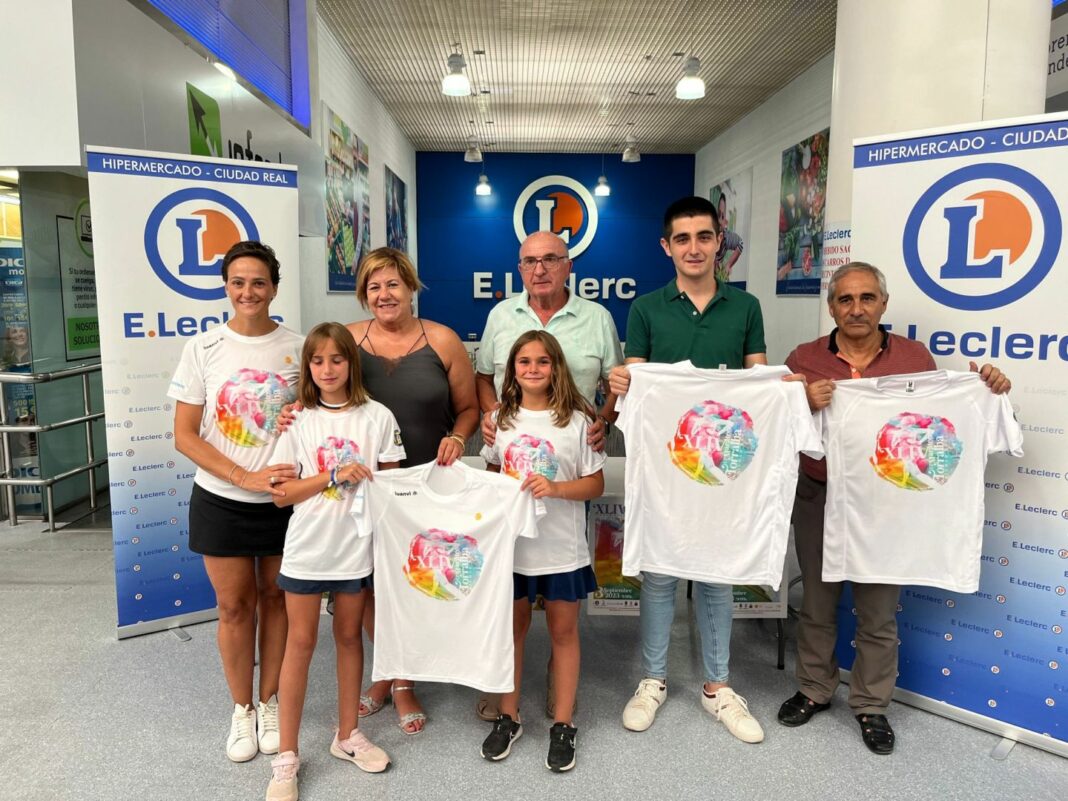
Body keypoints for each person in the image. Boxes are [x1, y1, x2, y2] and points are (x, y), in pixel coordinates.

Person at [777, 261, 1010, 755]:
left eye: (867, 298)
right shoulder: (804, 357)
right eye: (845, 299)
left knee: (878, 611)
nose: (856, 308)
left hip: (885, 504)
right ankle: (814, 689)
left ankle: (871, 704)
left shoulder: (914, 357)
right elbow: (778, 423)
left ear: (883, 303)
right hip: (819, 496)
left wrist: (984, 389)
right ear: (831, 307)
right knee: (817, 604)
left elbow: (934, 423)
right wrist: (802, 401)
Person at [608, 196, 767, 743]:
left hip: (723, 468)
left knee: (717, 572)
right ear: (666, 246)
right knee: (659, 573)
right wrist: (622, 382)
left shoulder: (745, 308)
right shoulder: (647, 309)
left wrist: (780, 389)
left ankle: (717, 687)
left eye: (704, 236)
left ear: (719, 241)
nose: (694, 248)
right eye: (683, 238)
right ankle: (652, 679)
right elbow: (636, 383)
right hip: (663, 467)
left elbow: (757, 382)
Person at [169, 240, 303, 762]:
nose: (248, 292)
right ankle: (242, 709)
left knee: (276, 600)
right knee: (233, 606)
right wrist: (243, 476)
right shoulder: (203, 348)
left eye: (258, 282)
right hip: (221, 498)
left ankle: (269, 701)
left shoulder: (298, 347)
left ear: (274, 287)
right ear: (226, 287)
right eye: (238, 282)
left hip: (282, 502)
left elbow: (315, 418)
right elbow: (185, 434)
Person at [265, 323, 402, 800]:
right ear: (307, 366)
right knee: (300, 644)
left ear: (351, 364)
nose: (327, 369)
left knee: (348, 638)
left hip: (356, 550)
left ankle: (347, 735)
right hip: (309, 548)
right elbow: (281, 495)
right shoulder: (297, 420)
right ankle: (286, 757)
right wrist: (333, 474)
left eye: (337, 359)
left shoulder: (378, 416)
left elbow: (393, 488)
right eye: (318, 360)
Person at [347, 246, 479, 735]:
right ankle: (392, 674)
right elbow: (319, 396)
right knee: (369, 585)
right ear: (364, 294)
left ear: (410, 288)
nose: (384, 294)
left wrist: (459, 438)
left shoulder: (442, 340)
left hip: (426, 485)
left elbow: (469, 408)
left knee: (414, 581)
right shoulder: (347, 340)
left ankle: (405, 675)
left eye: (393, 284)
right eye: (374, 287)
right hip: (366, 488)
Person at [479, 330, 605, 772]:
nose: (533, 369)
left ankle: (564, 724)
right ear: (512, 370)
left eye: (542, 361)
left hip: (561, 550)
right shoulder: (500, 419)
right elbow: (491, 477)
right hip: (512, 551)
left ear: (557, 367)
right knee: (511, 632)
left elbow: (595, 484)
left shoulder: (577, 421)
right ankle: (508, 716)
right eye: (524, 361)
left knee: (563, 632)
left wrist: (556, 488)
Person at [477, 230, 623, 453]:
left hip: (576, 450)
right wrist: (492, 412)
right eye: (530, 262)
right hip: (509, 449)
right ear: (520, 269)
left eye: (550, 259)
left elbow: (617, 386)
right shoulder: (499, 315)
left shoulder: (598, 317)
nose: (539, 271)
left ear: (568, 267)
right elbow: (483, 379)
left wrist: (603, 420)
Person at [713, 193, 744, 282]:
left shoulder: (727, 237)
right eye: (718, 215)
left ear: (725, 222)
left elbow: (740, 243)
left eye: (722, 217)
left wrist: (728, 265)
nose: (719, 221)